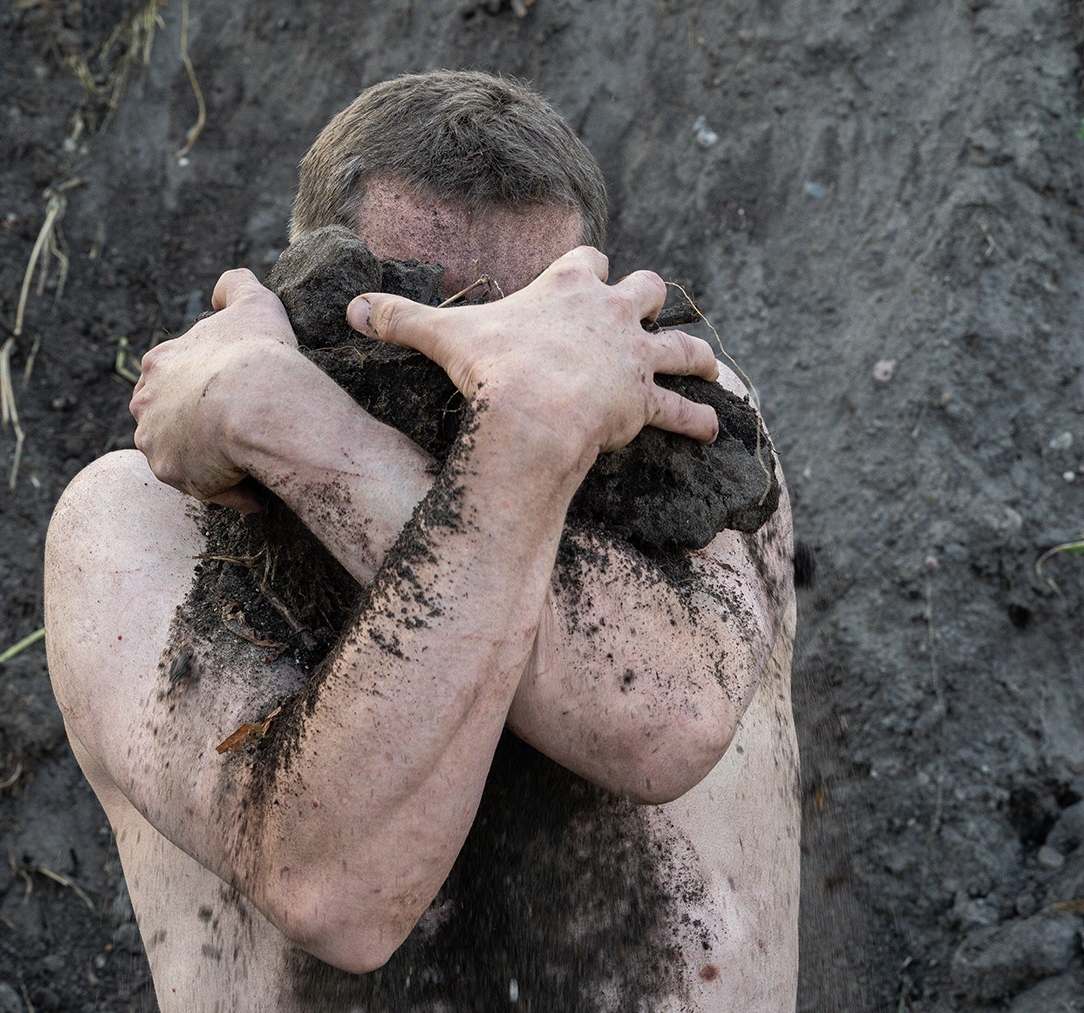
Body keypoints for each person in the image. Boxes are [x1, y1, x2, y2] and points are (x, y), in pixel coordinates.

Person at [44, 70, 799, 1012]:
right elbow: (339, 887)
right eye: (422, 323)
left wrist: (307, 429)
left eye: (526, 332)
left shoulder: (673, 410)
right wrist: (511, 430)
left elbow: (660, 721)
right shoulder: (138, 522)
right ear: (305, 299)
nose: (480, 374)